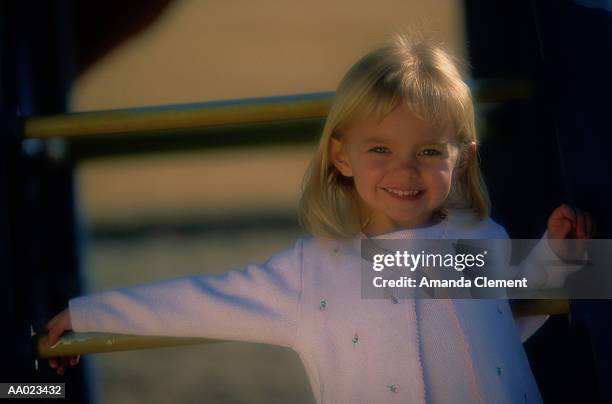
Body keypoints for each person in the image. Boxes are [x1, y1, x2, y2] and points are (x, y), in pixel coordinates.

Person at [45, 32, 592, 403]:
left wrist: (559, 254)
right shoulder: (315, 271)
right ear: (341, 156)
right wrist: (88, 315)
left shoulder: (475, 237)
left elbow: (504, 323)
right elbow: (200, 301)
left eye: (429, 152)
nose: (405, 170)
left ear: (464, 157)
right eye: (380, 149)